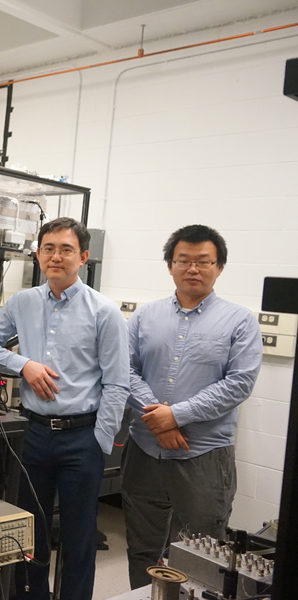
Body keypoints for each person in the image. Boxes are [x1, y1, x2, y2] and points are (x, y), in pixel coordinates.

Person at [0, 217, 129, 600]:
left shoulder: (104, 311)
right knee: (30, 532)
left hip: (82, 437)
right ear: (38, 254)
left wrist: (100, 442)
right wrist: (23, 364)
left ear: (84, 257)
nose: (56, 256)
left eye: (66, 249)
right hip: (34, 433)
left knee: (78, 537)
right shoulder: (22, 303)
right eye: (48, 248)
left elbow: (118, 382)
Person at [122, 224, 262, 589]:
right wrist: (159, 419)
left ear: (219, 267)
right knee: (142, 548)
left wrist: (177, 416)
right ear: (170, 265)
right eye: (184, 260)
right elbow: (124, 369)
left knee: (204, 552)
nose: (193, 269)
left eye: (204, 261)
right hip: (145, 451)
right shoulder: (144, 316)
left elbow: (239, 383)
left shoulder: (241, 321)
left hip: (203, 454)